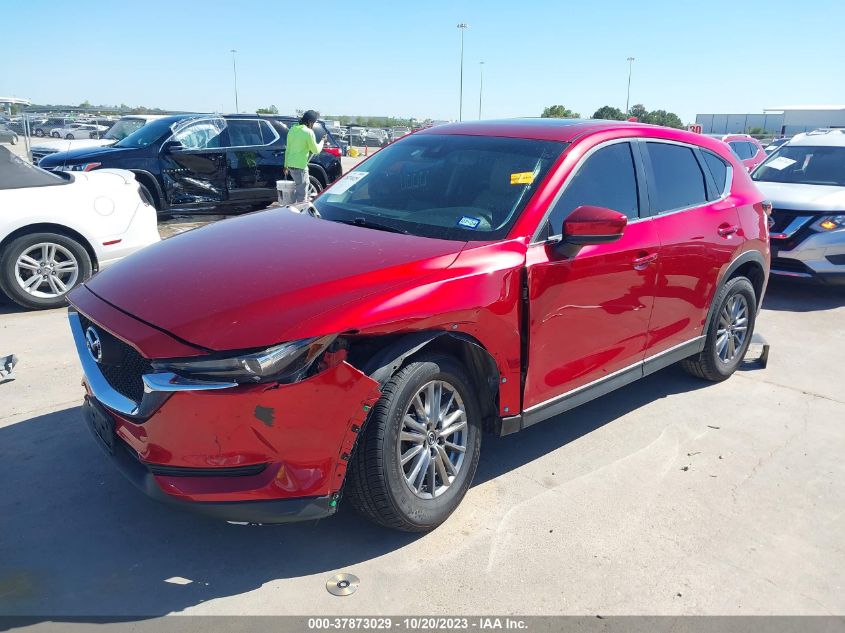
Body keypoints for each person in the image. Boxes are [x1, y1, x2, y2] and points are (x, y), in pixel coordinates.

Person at [284, 110, 325, 203]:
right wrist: (322, 141)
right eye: (313, 123)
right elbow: (315, 150)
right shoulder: (308, 132)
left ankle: (292, 210)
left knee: (298, 190)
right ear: (310, 122)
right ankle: (299, 215)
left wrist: (285, 166)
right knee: (302, 195)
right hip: (301, 167)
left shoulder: (292, 129)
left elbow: (288, 149)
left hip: (290, 166)